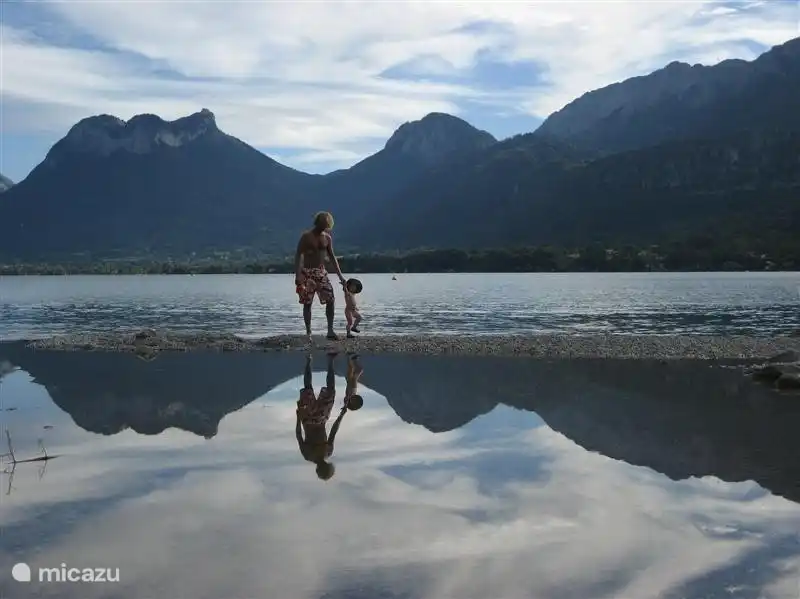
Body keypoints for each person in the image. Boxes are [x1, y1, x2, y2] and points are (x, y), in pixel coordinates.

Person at [295, 352, 348, 481]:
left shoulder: (311, 455)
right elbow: (333, 431)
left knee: (310, 389)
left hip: (311, 419)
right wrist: (341, 416)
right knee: (327, 390)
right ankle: (327, 361)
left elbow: (299, 436)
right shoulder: (325, 452)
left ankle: (312, 361)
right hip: (317, 419)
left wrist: (299, 417)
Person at [294, 211, 346, 340]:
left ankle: (330, 330)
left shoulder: (327, 238)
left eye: (326, 225)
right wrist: (298, 275)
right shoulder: (306, 237)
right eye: (323, 224)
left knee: (331, 299)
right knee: (307, 303)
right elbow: (298, 255)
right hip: (307, 273)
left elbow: (332, 257)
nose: (324, 227)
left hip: (321, 273)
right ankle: (308, 332)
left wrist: (340, 276)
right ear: (317, 223)